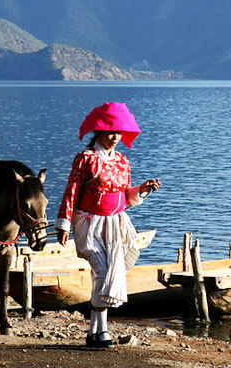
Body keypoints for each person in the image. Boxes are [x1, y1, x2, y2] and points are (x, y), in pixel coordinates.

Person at [55, 102, 161, 348]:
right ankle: (101, 331)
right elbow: (71, 191)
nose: (114, 137)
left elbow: (125, 197)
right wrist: (64, 224)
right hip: (90, 222)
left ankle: (96, 332)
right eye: (109, 132)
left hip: (117, 223)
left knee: (108, 273)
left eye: (118, 133)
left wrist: (143, 190)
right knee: (103, 272)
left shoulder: (123, 161)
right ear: (98, 131)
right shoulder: (86, 159)